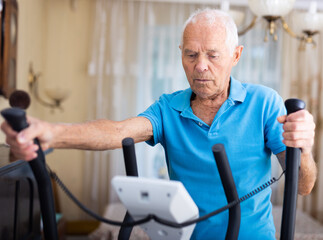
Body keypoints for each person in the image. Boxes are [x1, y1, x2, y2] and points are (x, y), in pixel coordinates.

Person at [1, 8, 317, 240]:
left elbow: (303, 187)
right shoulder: (168, 108)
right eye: (191, 54)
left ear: (236, 55)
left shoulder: (265, 103)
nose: (200, 66)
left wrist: (302, 147)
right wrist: (52, 133)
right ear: (180, 53)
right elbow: (117, 131)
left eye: (213, 55)